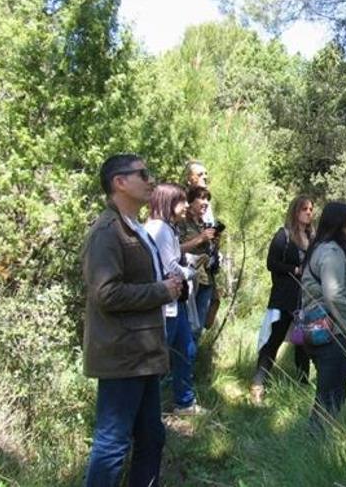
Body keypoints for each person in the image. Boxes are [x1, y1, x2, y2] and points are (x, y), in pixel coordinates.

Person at [82, 153, 184, 486]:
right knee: (112, 444)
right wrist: (161, 291)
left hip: (143, 355)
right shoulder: (107, 232)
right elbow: (106, 294)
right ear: (119, 182)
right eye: (143, 173)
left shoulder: (135, 227)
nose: (150, 179)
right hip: (122, 355)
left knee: (152, 438)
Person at [299, 201, 346, 431]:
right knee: (331, 394)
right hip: (333, 332)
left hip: (324, 330)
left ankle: (319, 441)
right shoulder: (331, 252)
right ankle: (316, 442)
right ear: (339, 223)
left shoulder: (327, 248)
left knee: (331, 392)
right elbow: (334, 294)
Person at [144, 184, 205, 415]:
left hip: (175, 302)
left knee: (186, 349)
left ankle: (185, 402)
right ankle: (149, 409)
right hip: (163, 302)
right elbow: (168, 266)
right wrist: (191, 270)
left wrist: (188, 259)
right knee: (160, 357)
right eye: (181, 201)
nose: (186, 206)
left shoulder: (168, 228)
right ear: (168, 203)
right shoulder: (158, 228)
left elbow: (171, 256)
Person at [251, 196, 314, 403]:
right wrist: (295, 269)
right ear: (295, 211)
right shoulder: (283, 235)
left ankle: (303, 385)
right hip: (284, 298)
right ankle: (258, 385)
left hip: (305, 300)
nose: (308, 212)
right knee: (273, 341)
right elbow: (272, 263)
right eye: (304, 209)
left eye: (311, 209)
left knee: (303, 343)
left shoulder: (312, 237)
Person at [178, 186, 216, 338]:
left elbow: (209, 252)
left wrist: (214, 243)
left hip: (206, 279)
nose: (206, 203)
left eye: (208, 199)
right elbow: (176, 249)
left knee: (198, 327)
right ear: (190, 201)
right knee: (188, 325)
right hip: (189, 280)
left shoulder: (204, 223)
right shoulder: (181, 223)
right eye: (202, 198)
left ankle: (193, 359)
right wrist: (201, 238)